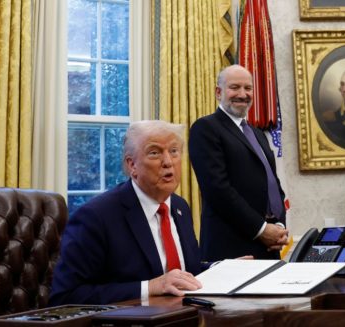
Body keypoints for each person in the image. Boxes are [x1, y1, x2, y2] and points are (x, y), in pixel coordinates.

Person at [49, 120, 203, 305]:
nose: (168, 162)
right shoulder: (96, 216)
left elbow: (186, 270)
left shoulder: (180, 207)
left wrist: (226, 267)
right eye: (155, 153)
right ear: (132, 166)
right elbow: (66, 296)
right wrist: (150, 287)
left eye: (174, 151)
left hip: (185, 316)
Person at [188, 64, 289, 262]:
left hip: (269, 246)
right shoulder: (206, 128)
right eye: (234, 87)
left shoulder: (258, 133)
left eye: (248, 88)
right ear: (219, 92)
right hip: (232, 249)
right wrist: (261, 230)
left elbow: (272, 184)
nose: (242, 94)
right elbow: (218, 190)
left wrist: (277, 227)